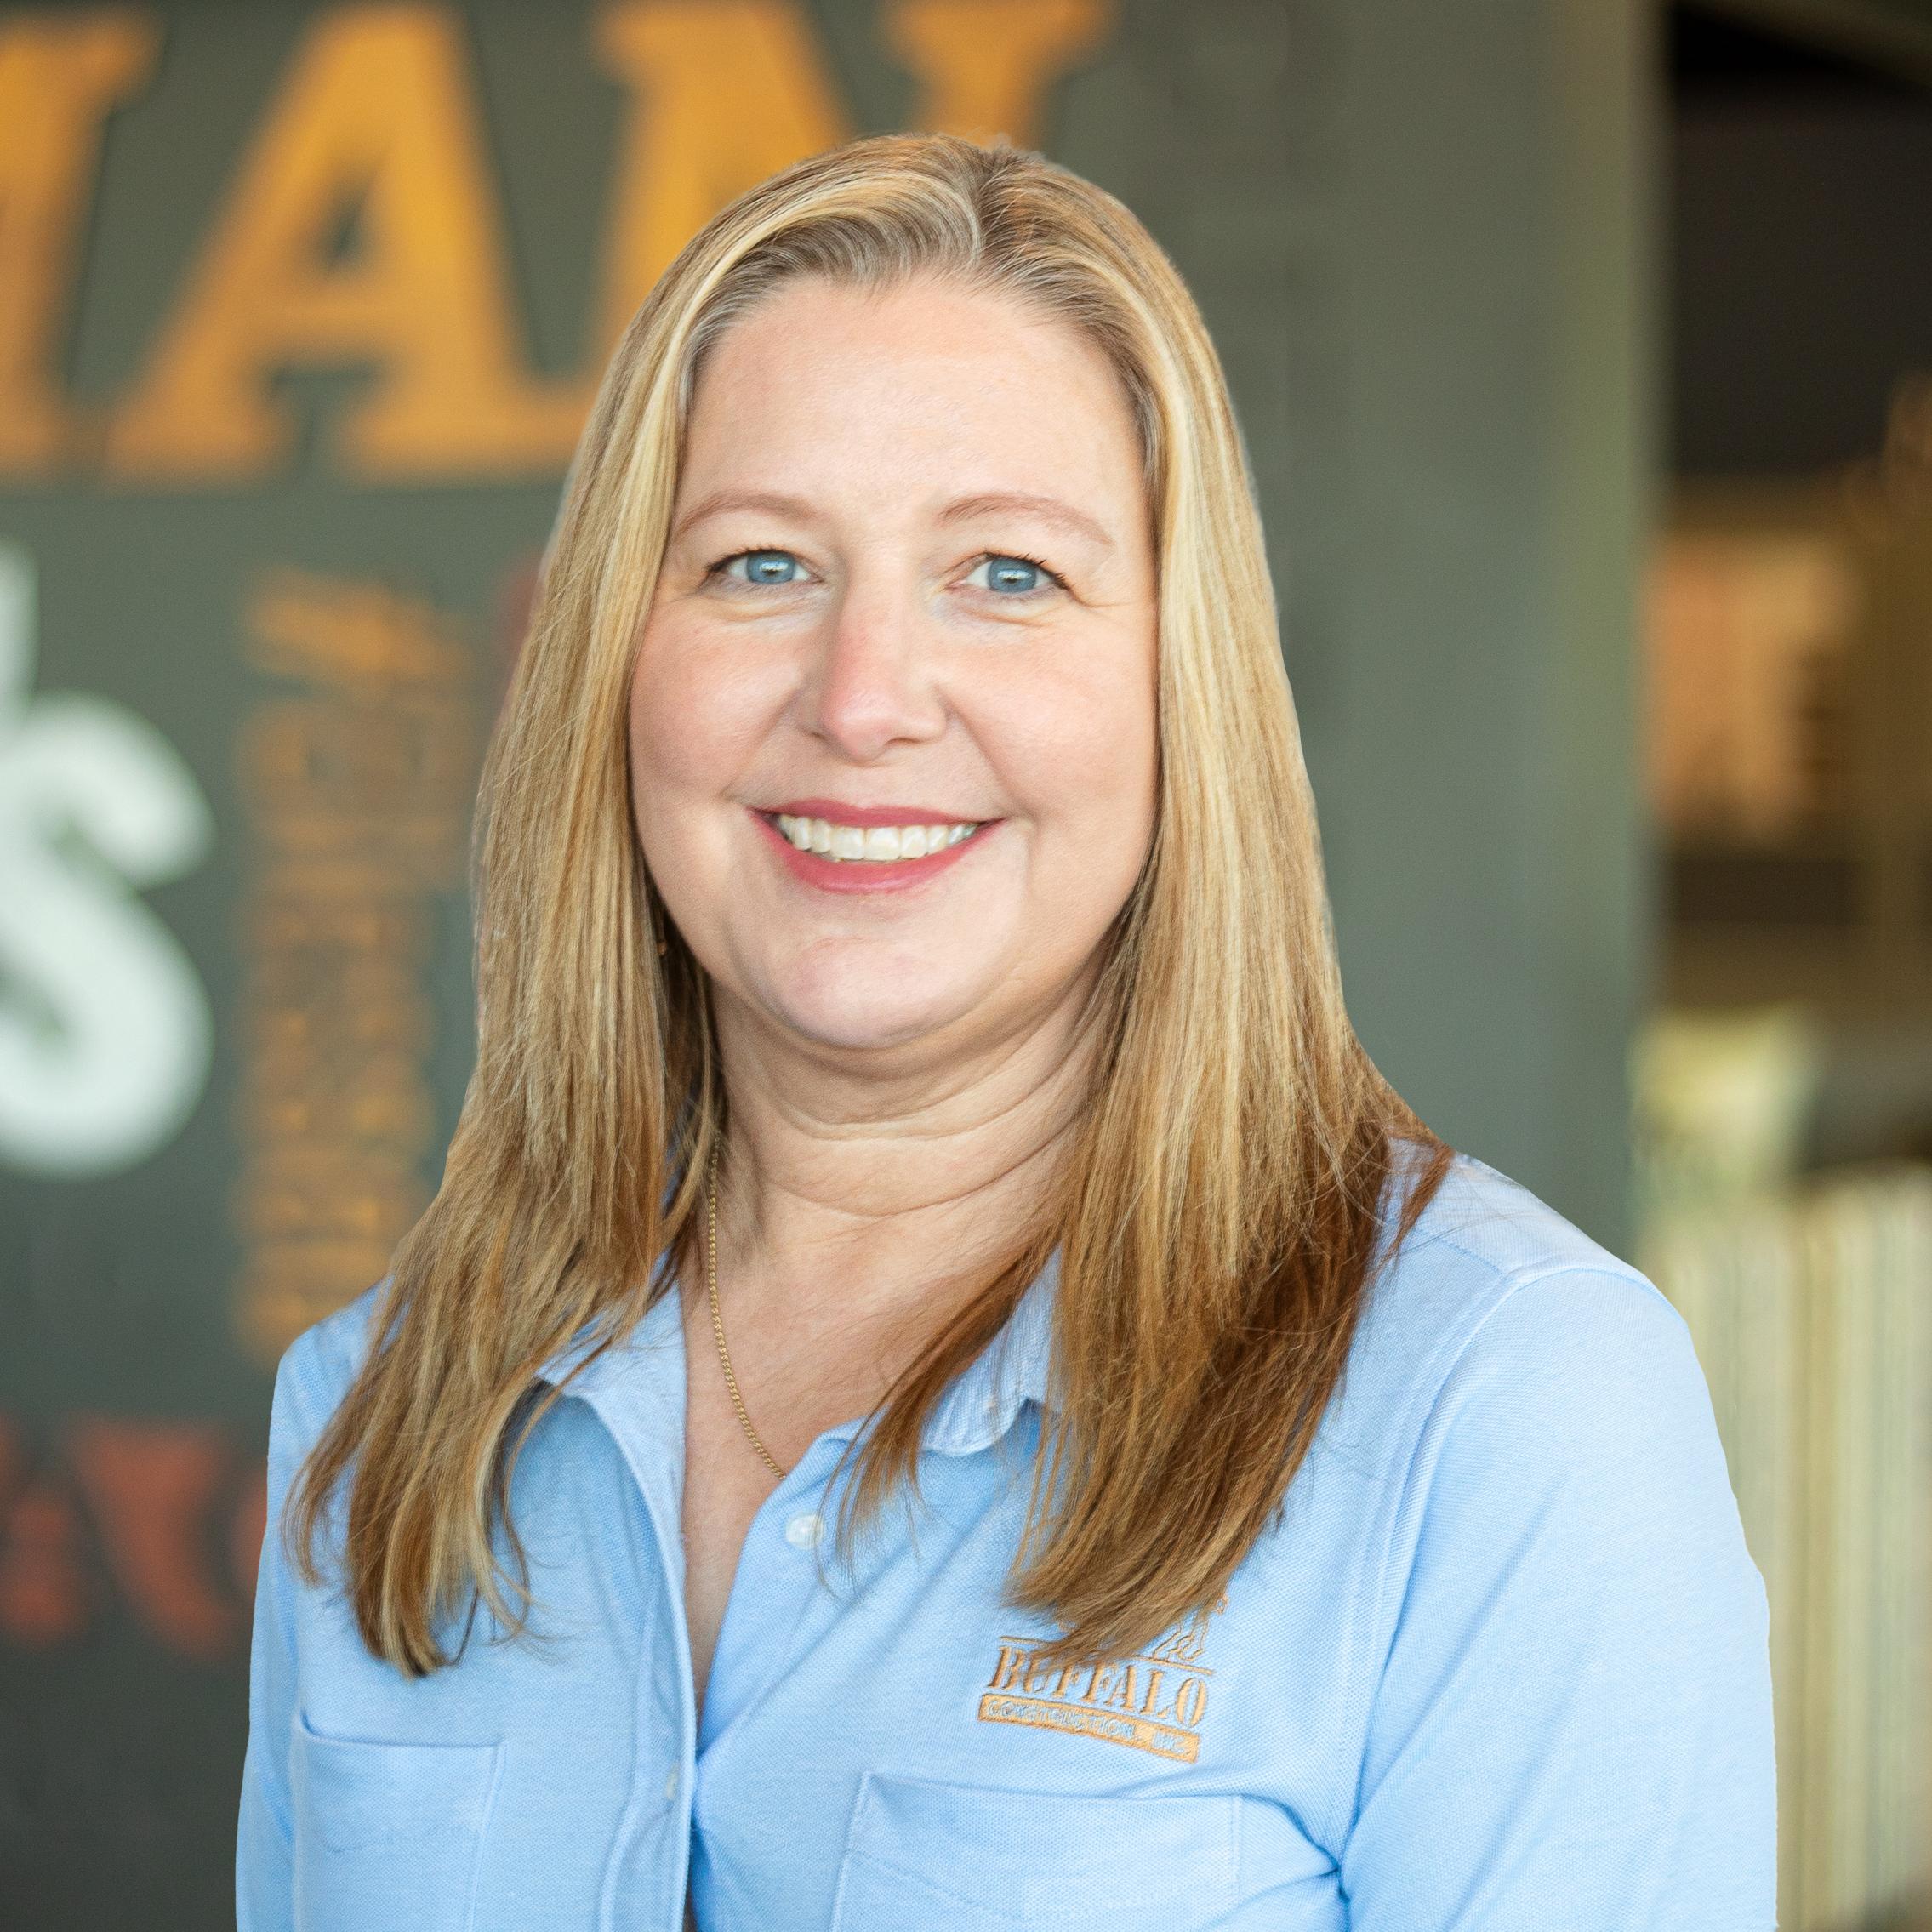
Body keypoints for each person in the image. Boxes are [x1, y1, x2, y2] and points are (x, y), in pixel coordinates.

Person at [237, 133, 1774, 1932]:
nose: (864, 697)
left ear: (1172, 688)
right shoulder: (379, 1408)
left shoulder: (1504, 1407)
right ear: (611, 663)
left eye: (1007, 575)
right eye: (754, 566)